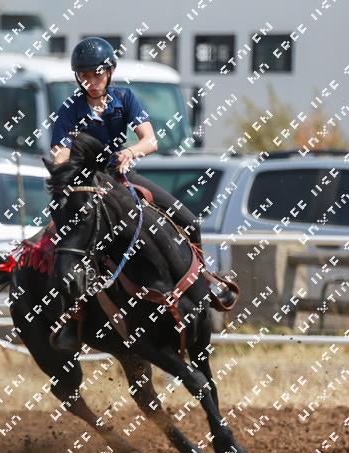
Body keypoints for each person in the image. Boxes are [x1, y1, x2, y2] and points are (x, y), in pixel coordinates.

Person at [49, 37, 232, 352]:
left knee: (190, 221)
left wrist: (130, 152)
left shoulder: (125, 98)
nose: (91, 80)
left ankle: (205, 282)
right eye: (84, 75)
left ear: (109, 72)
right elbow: (60, 152)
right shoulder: (70, 108)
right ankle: (73, 318)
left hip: (120, 177)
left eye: (96, 73)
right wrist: (62, 164)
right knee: (68, 252)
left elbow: (150, 140)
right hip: (87, 187)